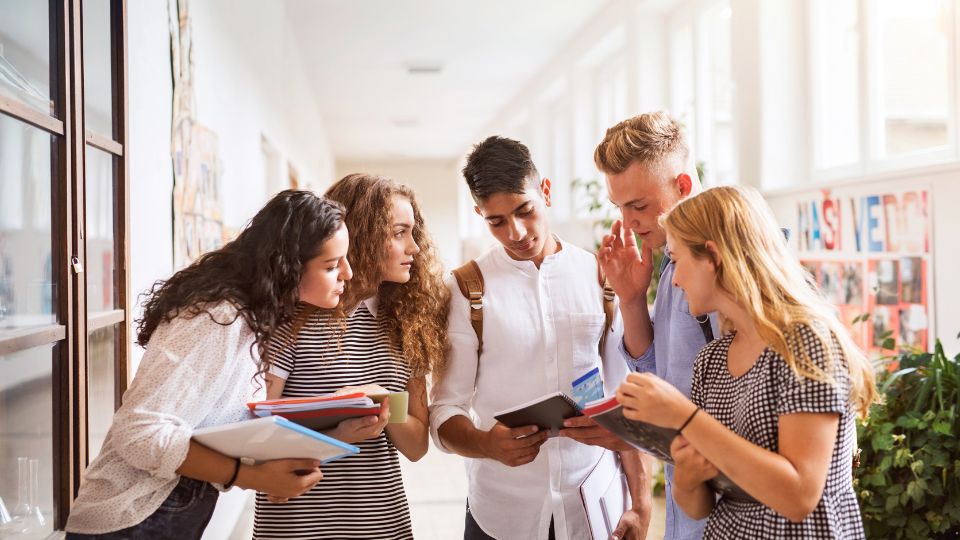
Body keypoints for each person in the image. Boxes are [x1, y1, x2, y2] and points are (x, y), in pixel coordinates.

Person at [65, 190, 351, 539]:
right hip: (130, 519)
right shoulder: (219, 316)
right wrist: (252, 476)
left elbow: (215, 421)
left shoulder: (253, 318)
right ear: (287, 266)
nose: (346, 274)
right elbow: (138, 433)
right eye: (332, 264)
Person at [615, 185, 877, 538]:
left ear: (713, 257)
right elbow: (701, 505)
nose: (674, 279)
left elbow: (800, 495)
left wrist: (683, 417)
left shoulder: (805, 343)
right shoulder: (712, 359)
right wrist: (689, 480)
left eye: (677, 261)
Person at [429, 136, 651, 540]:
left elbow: (624, 392)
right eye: (496, 221)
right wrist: (485, 444)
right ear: (480, 214)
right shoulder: (467, 289)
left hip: (592, 505)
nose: (515, 232)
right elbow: (445, 410)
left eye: (524, 210)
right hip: (501, 512)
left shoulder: (599, 274)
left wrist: (639, 502)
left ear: (544, 192)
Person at [254, 174, 449, 540]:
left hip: (382, 524)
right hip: (298, 527)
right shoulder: (291, 319)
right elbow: (255, 434)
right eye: (398, 233)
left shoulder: (407, 323)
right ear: (360, 234)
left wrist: (381, 401)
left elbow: (416, 446)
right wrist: (336, 432)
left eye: (413, 233)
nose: (414, 248)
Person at [594, 111, 715, 539]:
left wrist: (633, 435)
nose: (628, 222)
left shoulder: (728, 267)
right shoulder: (670, 260)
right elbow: (660, 373)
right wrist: (630, 298)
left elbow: (740, 406)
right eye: (620, 208)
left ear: (682, 185)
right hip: (688, 505)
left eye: (639, 205)